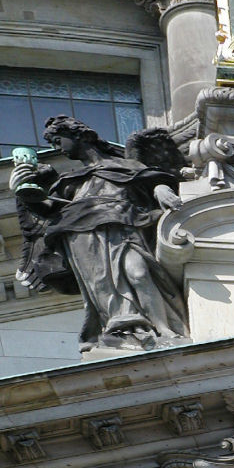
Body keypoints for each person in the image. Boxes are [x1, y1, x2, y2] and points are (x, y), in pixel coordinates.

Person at [10, 115, 188, 352]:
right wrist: (23, 192)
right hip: (83, 239)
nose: (56, 148)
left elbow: (150, 179)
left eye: (58, 140)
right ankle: (121, 326)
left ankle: (164, 328)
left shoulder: (125, 164)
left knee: (138, 273)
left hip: (124, 228)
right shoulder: (70, 181)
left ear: (79, 136)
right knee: (101, 285)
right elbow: (53, 213)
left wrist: (161, 188)